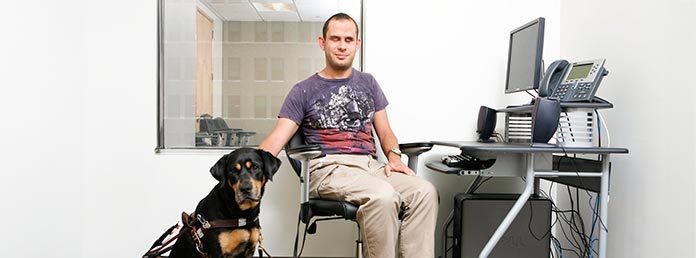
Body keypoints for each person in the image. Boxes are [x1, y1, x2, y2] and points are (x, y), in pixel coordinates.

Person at [259, 13, 438, 258]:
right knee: (382, 196)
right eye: (335, 39)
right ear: (322, 42)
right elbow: (276, 140)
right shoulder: (303, 90)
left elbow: (385, 131)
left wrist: (394, 158)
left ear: (357, 43)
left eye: (348, 39)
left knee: (424, 192)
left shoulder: (368, 83)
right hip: (328, 168)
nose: (342, 45)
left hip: (369, 167)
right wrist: (245, 167)